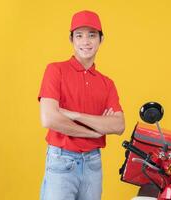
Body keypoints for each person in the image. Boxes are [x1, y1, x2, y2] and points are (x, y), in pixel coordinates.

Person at [38, 10, 125, 200]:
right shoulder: (55, 70)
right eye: (79, 35)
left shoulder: (107, 83)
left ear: (101, 40)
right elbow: (49, 118)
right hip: (61, 160)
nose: (86, 42)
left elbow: (118, 126)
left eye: (92, 35)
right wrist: (94, 131)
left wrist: (72, 115)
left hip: (93, 163)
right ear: (72, 40)